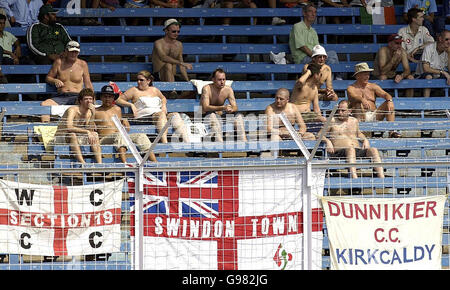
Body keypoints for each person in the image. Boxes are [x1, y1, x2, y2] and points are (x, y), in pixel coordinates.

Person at [115, 70, 191, 143]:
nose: (138, 82)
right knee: (161, 115)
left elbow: (163, 98)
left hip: (158, 115)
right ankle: (165, 143)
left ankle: (187, 142)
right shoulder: (134, 90)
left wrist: (164, 105)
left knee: (175, 115)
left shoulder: (154, 90)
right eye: (137, 80)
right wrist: (130, 104)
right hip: (143, 118)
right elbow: (118, 99)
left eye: (141, 80)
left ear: (148, 81)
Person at [321, 100, 385, 179]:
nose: (340, 112)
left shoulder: (354, 121)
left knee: (373, 150)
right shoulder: (332, 120)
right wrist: (327, 141)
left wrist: (365, 140)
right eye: (338, 110)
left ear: (350, 111)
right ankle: (354, 178)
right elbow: (320, 135)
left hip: (356, 150)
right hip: (339, 152)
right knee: (351, 150)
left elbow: (359, 134)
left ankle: (382, 178)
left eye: (343, 110)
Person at [94, 84, 157, 163]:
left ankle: (155, 164)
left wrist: (124, 120)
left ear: (113, 98)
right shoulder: (95, 111)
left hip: (119, 137)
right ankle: (125, 164)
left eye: (110, 97)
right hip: (104, 139)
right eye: (105, 96)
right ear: (101, 97)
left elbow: (123, 128)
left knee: (141, 136)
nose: (107, 99)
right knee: (120, 135)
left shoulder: (117, 109)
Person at [41, 41, 93, 122]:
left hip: (77, 96)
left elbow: (88, 83)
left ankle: (81, 129)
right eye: (71, 52)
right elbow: (48, 78)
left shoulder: (83, 64)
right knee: (44, 105)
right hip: (62, 96)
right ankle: (45, 130)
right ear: (66, 51)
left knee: (85, 107)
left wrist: (92, 98)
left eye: (75, 52)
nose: (73, 54)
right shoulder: (59, 62)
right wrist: (55, 80)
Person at [346, 62, 401, 137]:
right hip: (360, 116)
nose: (367, 76)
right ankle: (360, 131)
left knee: (388, 103)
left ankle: (391, 132)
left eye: (368, 74)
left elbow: (385, 94)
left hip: (374, 115)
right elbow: (353, 97)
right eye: (365, 74)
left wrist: (389, 100)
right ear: (357, 76)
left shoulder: (373, 86)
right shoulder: (351, 88)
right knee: (357, 103)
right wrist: (362, 99)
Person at [288, 3, 342, 79]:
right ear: (304, 13)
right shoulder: (297, 26)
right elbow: (302, 47)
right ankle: (336, 79)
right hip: (303, 59)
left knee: (331, 56)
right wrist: (316, 57)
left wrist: (320, 56)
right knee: (331, 56)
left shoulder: (313, 31)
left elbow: (317, 48)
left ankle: (333, 79)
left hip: (313, 57)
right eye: (310, 11)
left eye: (315, 12)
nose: (313, 14)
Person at [52, 88, 102, 164]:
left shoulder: (89, 113)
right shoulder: (72, 110)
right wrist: (87, 131)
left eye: (90, 99)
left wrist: (93, 114)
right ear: (80, 101)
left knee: (95, 134)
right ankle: (83, 163)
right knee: (72, 135)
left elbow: (91, 130)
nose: (89, 101)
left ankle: (100, 164)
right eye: (86, 99)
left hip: (78, 136)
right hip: (61, 136)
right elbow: (69, 127)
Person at [200, 68, 247, 142]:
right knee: (212, 116)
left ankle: (245, 143)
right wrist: (222, 107)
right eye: (219, 80)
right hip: (205, 116)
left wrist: (231, 109)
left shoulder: (228, 89)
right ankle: (220, 144)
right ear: (213, 80)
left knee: (239, 117)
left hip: (220, 115)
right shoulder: (207, 89)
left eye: (223, 79)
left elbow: (235, 107)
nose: (222, 82)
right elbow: (205, 107)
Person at [152, 19, 192, 83]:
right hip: (159, 76)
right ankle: (172, 91)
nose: (176, 34)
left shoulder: (179, 44)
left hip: (173, 76)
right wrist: (181, 63)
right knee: (168, 65)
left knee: (190, 88)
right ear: (166, 31)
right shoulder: (158, 43)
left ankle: (173, 90)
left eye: (178, 32)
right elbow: (163, 57)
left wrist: (188, 81)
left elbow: (182, 65)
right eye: (174, 31)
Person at [416, 30, 450, 97]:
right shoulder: (429, 48)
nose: (449, 42)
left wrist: (449, 54)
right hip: (421, 77)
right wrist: (443, 72)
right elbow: (426, 69)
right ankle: (426, 105)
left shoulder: (447, 51)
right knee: (429, 76)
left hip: (438, 76)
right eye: (447, 39)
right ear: (440, 39)